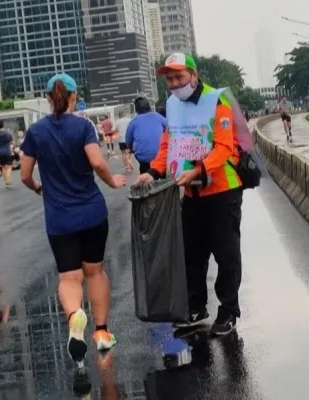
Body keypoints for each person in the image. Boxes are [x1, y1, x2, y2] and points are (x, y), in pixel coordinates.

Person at [20, 73, 126, 367]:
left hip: (59, 218)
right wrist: (112, 181)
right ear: (74, 96)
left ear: (47, 99)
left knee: (69, 276)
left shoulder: (35, 132)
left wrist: (39, 188)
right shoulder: (83, 127)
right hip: (92, 212)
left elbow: (25, 175)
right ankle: (102, 333)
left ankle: (74, 315)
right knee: (95, 272)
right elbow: (96, 161)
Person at [134, 53, 244, 336]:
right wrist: (154, 172)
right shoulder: (172, 105)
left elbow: (224, 146)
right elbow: (169, 144)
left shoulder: (217, 100)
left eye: (179, 77)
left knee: (226, 253)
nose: (174, 83)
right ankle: (196, 307)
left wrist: (198, 170)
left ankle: (229, 310)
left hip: (222, 189)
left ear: (194, 75)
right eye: (169, 79)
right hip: (192, 193)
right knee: (192, 253)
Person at [125, 97, 166, 174]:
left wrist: (131, 149)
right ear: (149, 107)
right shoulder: (158, 116)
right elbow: (169, 128)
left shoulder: (133, 122)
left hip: (144, 159)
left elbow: (128, 140)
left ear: (136, 109)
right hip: (161, 156)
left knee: (145, 176)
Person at [0, 121, 15, 187]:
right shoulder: (8, 134)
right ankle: (8, 179)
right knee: (9, 166)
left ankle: (6, 181)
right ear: (3, 125)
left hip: (0, 153)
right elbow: (12, 142)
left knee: (3, 167)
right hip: (8, 152)